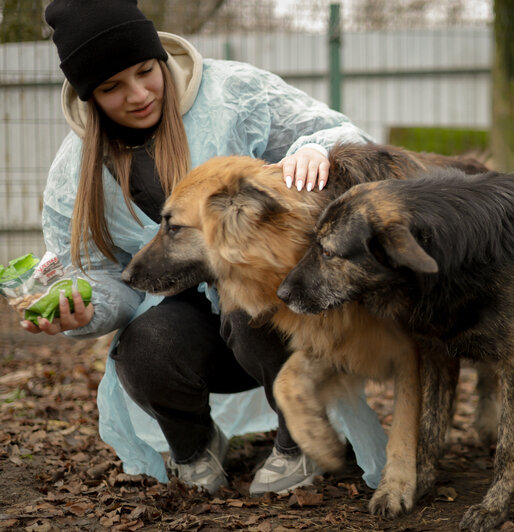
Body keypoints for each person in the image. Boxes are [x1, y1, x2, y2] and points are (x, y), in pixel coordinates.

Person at [21, 0, 387, 496]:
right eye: (111, 88)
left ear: (158, 58)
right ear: (88, 96)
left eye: (145, 71)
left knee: (248, 307)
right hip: (192, 332)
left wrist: (315, 149)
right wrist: (82, 310)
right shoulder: (76, 170)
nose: (138, 94)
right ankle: (194, 445)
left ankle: (297, 437)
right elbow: (105, 277)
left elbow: (343, 134)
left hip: (277, 315)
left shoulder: (234, 93)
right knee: (141, 349)